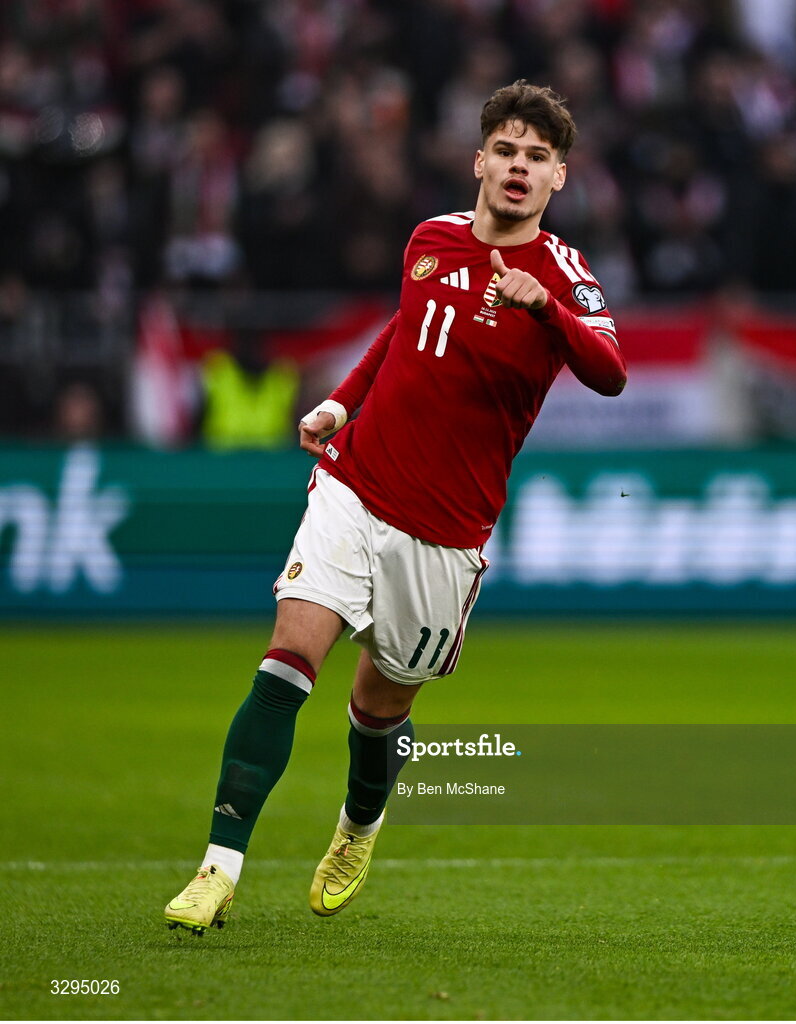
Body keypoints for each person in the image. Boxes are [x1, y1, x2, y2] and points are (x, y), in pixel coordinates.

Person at [164, 80, 627, 934]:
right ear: (478, 161)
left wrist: (549, 312)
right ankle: (217, 867)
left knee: (379, 711)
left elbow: (610, 371)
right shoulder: (429, 238)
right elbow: (402, 330)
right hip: (355, 485)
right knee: (284, 664)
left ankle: (358, 827)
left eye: (537, 157)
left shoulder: (565, 274)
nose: (518, 167)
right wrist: (340, 402)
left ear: (557, 176)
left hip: (445, 531)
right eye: (506, 150)